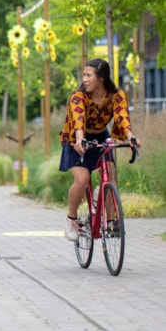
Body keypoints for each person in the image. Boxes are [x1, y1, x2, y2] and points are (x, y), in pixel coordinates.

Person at [59, 58, 141, 242]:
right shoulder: (78, 96)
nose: (85, 79)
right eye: (84, 75)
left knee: (111, 173)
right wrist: (80, 139)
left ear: (101, 78)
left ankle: (111, 221)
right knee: (82, 180)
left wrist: (130, 138)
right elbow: (78, 119)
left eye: (89, 75)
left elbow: (122, 117)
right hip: (76, 137)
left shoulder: (116, 95)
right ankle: (71, 219)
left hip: (101, 136)